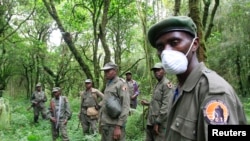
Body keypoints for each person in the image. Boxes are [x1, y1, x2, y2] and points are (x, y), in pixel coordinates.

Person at [147, 15, 247, 141]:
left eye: (174, 42)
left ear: (194, 44)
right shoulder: (178, 89)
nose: (166, 52)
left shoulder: (214, 93)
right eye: (160, 47)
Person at [141, 62, 173, 141]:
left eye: (158, 70)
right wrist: (147, 103)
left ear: (164, 71)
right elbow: (157, 102)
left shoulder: (167, 84)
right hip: (151, 121)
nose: (156, 72)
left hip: (160, 124)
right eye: (155, 71)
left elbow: (166, 106)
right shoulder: (158, 84)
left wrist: (158, 122)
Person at [99, 62, 130, 141]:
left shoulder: (121, 84)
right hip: (106, 124)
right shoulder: (108, 84)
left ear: (115, 71)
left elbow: (125, 106)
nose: (105, 73)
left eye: (108, 71)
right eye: (105, 71)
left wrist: (118, 126)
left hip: (114, 126)